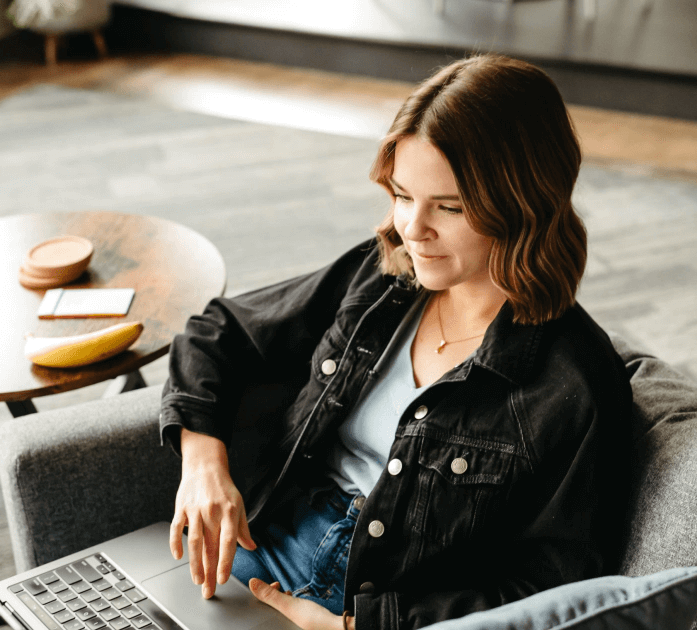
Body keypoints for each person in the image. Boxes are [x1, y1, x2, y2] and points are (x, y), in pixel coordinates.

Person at [159, 53, 635, 630]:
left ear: (524, 204)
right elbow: (218, 331)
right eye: (403, 195)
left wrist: (362, 627)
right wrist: (204, 462)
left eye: (449, 207)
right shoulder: (385, 278)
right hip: (251, 552)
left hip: (377, 613)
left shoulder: (575, 382)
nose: (412, 228)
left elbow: (555, 588)